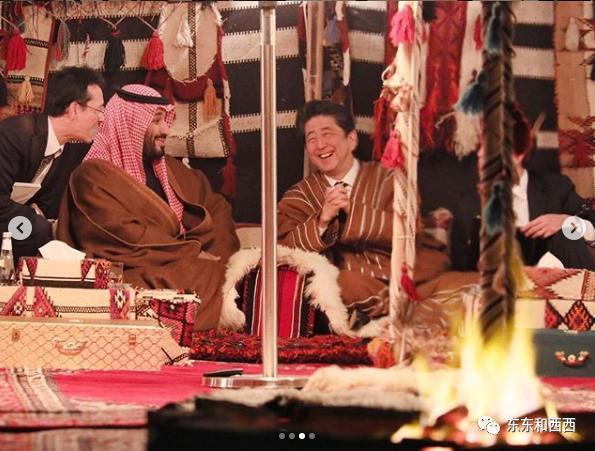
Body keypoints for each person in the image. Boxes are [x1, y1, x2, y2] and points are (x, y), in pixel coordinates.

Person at [57, 84, 240, 331]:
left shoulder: (171, 169)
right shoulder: (92, 175)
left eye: (166, 120)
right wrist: (191, 252)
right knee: (201, 276)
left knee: (215, 272)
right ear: (129, 123)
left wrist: (219, 254)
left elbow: (217, 209)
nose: (166, 129)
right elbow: (124, 236)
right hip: (127, 270)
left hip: (179, 263)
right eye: (156, 121)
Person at [278, 100, 393, 330]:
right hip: (326, 293)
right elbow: (284, 248)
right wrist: (322, 220)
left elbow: (411, 231)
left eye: (327, 134)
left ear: (352, 139)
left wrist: (352, 209)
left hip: (388, 282)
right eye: (311, 139)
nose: (320, 145)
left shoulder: (388, 180)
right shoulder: (297, 195)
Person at [452, 102, 595, 271]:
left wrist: (567, 222)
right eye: (481, 148)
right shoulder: (468, 206)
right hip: (501, 282)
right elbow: (460, 265)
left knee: (568, 234)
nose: (481, 154)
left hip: (560, 281)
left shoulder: (555, 189)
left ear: (518, 155)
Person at [0, 66, 104, 260]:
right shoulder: (13, 135)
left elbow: (46, 206)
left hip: (13, 223)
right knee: (36, 229)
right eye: (99, 110)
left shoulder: (66, 148)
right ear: (74, 109)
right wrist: (34, 218)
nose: (102, 118)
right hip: (7, 220)